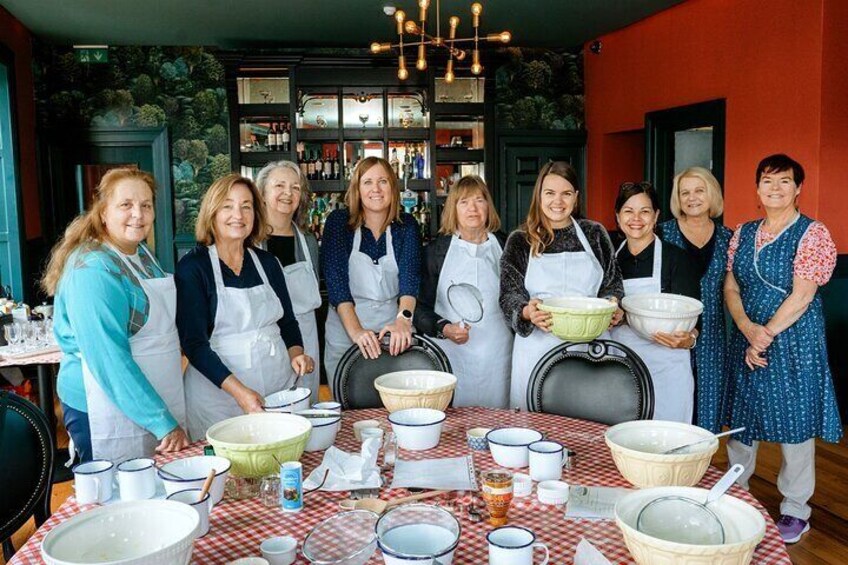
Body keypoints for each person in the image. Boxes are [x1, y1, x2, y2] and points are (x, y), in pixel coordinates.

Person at [724, 154, 841, 543]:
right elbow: (731, 285)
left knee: (794, 422)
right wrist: (745, 326)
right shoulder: (743, 232)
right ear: (757, 188)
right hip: (748, 333)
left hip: (793, 340)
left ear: (798, 188)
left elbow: (803, 294)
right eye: (768, 181)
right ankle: (736, 492)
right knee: (743, 419)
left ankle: (794, 509)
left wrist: (765, 334)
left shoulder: (812, 233)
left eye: (784, 181)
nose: (775, 189)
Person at [42, 168, 188, 463]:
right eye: (126, 205)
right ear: (103, 212)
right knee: (114, 498)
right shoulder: (92, 269)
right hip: (102, 404)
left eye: (146, 205)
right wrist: (163, 422)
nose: (139, 214)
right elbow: (109, 359)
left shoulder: (140, 253)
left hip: (144, 400)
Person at [176, 173, 314, 441]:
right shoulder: (194, 268)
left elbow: (287, 322)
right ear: (212, 212)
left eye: (246, 206)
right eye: (227, 206)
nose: (237, 215)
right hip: (218, 398)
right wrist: (240, 393)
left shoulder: (267, 263)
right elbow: (194, 345)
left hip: (275, 389)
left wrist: (297, 353)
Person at [499, 161, 624, 410]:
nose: (558, 201)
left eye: (566, 193)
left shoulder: (594, 234)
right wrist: (526, 311)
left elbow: (612, 284)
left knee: (588, 423)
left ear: (576, 197)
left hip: (591, 349)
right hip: (538, 347)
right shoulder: (521, 240)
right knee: (535, 426)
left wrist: (615, 306)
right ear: (539, 195)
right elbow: (509, 295)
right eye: (550, 193)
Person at [321, 157, 421, 394]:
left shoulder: (406, 225)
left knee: (395, 401)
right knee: (347, 405)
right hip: (345, 329)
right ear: (357, 189)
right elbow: (336, 284)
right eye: (367, 182)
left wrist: (403, 321)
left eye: (383, 181)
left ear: (393, 188)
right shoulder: (339, 223)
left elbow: (410, 277)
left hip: (392, 328)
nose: (375, 189)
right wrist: (356, 332)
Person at [610, 182, 701, 423]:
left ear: (656, 215)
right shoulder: (608, 260)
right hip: (620, 368)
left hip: (667, 368)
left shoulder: (676, 259)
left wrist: (689, 339)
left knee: (668, 441)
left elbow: (694, 319)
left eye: (645, 211)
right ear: (618, 217)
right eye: (628, 211)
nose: (636, 218)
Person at [417, 176, 511, 407]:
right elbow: (419, 307)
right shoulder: (435, 251)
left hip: (499, 354)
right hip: (452, 355)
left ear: (488, 206)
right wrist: (443, 327)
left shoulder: (507, 245)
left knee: (498, 417)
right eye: (464, 202)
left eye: (479, 200)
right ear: (453, 209)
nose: (473, 208)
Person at [659, 167, 733, 432]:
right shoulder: (662, 233)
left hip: (712, 335)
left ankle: (703, 466)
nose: (692, 198)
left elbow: (735, 288)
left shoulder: (728, 238)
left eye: (699, 191)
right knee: (672, 406)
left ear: (711, 194)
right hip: (670, 334)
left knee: (708, 410)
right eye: (684, 192)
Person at [256, 161, 322, 404]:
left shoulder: (308, 242)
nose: (288, 193)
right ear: (262, 193)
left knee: (305, 406)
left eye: (295, 188)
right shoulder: (248, 240)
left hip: (305, 335)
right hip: (266, 336)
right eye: (279, 186)